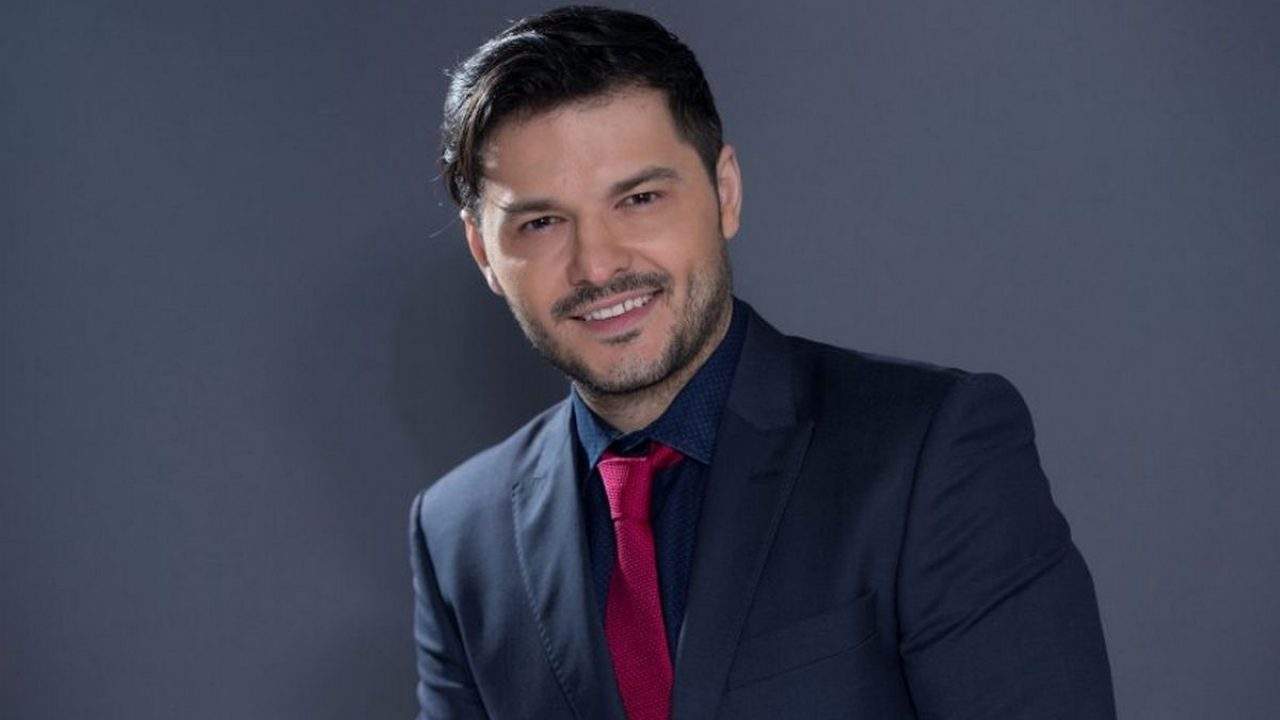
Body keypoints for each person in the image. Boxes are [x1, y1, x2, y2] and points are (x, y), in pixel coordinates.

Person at [409, 6, 1115, 719]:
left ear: (726, 193)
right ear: (484, 252)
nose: (597, 265)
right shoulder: (458, 534)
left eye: (640, 199)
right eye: (541, 223)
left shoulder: (929, 453)